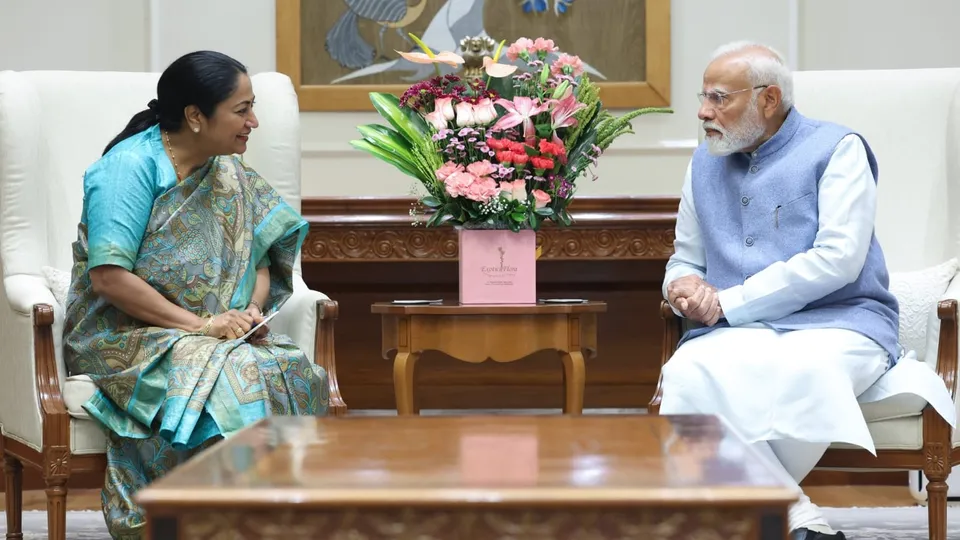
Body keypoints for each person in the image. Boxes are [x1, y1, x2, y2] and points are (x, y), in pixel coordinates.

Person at [659, 41, 956, 540]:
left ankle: (751, 515)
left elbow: (838, 259)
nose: (703, 111)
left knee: (805, 370)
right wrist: (682, 285)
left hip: (843, 322)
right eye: (703, 97)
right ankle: (796, 517)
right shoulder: (703, 163)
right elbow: (686, 256)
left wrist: (727, 302)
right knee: (687, 371)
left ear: (768, 99)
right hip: (738, 331)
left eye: (718, 98)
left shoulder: (839, 150)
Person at [62, 50, 329, 538]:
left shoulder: (228, 171)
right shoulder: (128, 168)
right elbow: (109, 279)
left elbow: (258, 260)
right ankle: (196, 520)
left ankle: (269, 519)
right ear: (195, 116)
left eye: (252, 108)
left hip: (213, 334)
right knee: (239, 376)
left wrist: (250, 311)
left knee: (289, 368)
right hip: (121, 333)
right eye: (242, 109)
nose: (253, 122)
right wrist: (204, 326)